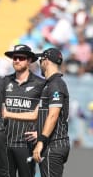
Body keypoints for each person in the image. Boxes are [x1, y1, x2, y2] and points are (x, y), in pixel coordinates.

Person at [3, 44, 45, 177]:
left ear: (29, 60)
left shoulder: (40, 84)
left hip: (26, 145)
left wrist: (40, 132)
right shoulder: (4, 81)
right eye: (14, 57)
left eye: (21, 58)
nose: (16, 60)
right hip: (4, 143)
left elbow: (48, 113)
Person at [33, 48, 70, 177]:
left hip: (53, 144)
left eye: (40, 60)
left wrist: (41, 141)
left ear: (46, 61)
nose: (39, 64)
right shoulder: (50, 84)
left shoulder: (56, 84)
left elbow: (53, 115)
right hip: (52, 143)